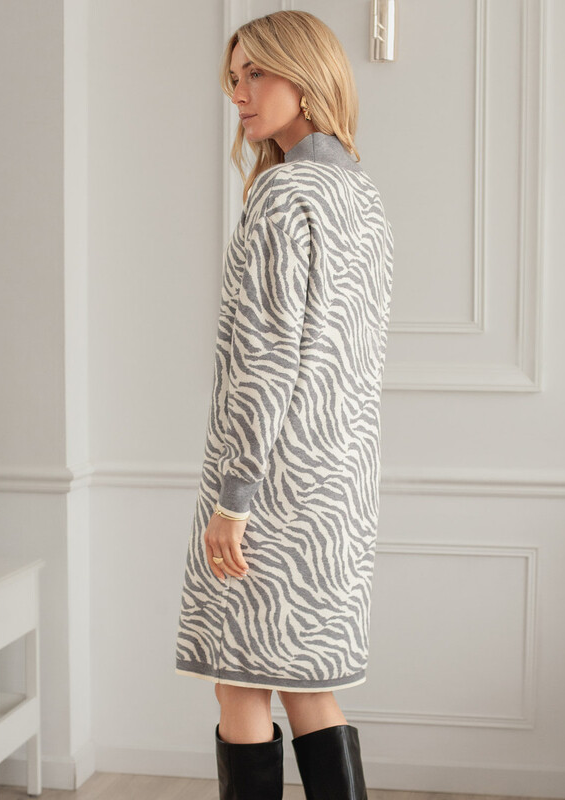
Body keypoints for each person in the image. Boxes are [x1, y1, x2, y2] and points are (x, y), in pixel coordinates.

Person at [174, 10, 394, 800]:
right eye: (233, 78)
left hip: (271, 486)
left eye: (255, 74)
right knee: (308, 686)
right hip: (340, 486)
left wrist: (233, 502)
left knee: (240, 684)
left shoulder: (281, 194)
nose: (238, 94)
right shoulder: (362, 196)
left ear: (305, 76)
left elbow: (264, 363)